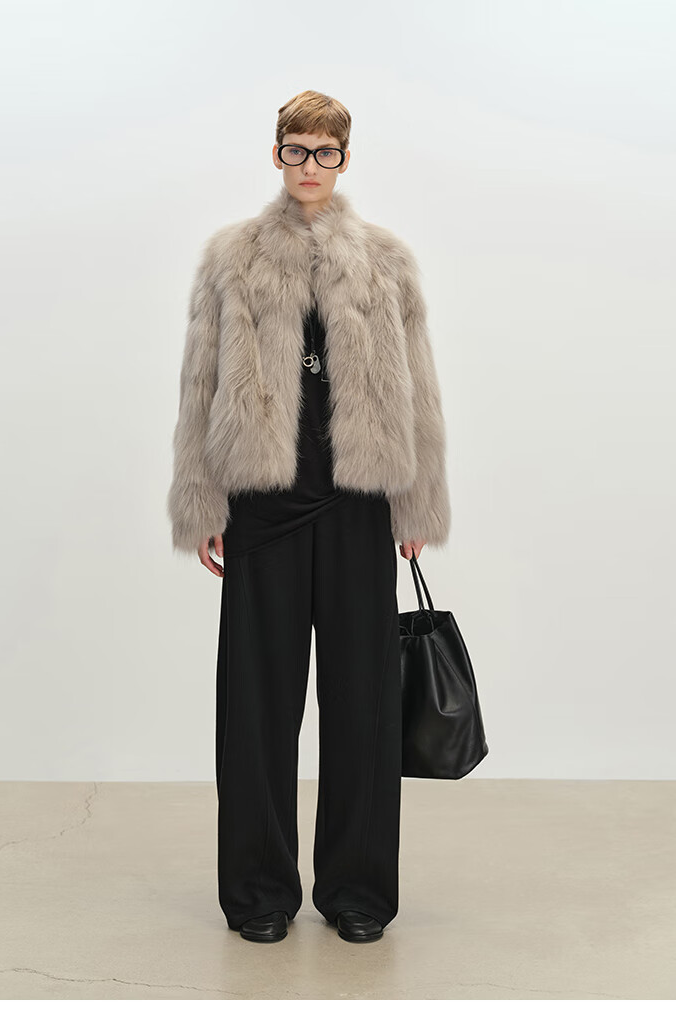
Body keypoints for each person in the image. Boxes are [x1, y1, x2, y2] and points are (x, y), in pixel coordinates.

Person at [167, 90, 451, 944]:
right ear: (278, 155)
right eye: (297, 149)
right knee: (256, 705)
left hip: (360, 502)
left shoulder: (386, 261)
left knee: (364, 704)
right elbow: (199, 384)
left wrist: (417, 500)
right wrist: (202, 498)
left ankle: (357, 891)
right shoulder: (232, 258)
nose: (311, 166)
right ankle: (259, 893)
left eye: (326, 152)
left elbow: (420, 388)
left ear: (345, 159)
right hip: (264, 504)